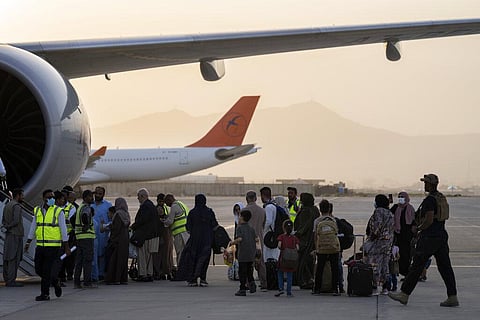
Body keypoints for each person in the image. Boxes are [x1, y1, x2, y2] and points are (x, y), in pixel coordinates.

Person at [389, 174, 459, 307]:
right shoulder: (440, 197)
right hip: (441, 235)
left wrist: (419, 229)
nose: (424, 185)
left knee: (416, 266)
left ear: (431, 184)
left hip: (429, 237)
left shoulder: (430, 200)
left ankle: (404, 294)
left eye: (426, 183)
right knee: (445, 267)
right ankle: (452, 296)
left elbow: (429, 219)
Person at [25, 190, 70, 301]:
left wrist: (66, 245)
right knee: (38, 269)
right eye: (49, 197)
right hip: (40, 245)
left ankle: (45, 294)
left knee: (46, 270)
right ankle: (55, 281)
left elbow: (63, 229)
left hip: (53, 246)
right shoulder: (37, 210)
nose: (51, 199)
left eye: (52, 197)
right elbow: (34, 226)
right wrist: (28, 241)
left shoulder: (58, 211)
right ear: (43, 198)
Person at [175, 194, 218, 287]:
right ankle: (203, 279)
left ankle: (193, 279)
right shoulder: (209, 212)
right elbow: (214, 225)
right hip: (207, 239)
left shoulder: (192, 212)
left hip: (194, 240)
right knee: (204, 259)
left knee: (193, 259)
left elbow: (188, 227)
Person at [364, 194, 394, 295]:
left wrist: (372, 237)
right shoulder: (389, 213)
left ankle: (375, 285)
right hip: (388, 241)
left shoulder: (379, 211)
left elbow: (377, 226)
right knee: (385, 264)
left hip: (378, 242)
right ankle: (385, 286)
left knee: (375, 263)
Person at [312, 199, 340, 296]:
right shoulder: (333, 220)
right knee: (334, 268)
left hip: (322, 248)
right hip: (333, 247)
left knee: (320, 268)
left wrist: (316, 248)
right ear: (329, 208)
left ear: (320, 209)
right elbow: (336, 233)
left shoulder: (317, 221)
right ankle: (335, 289)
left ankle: (317, 288)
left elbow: (315, 236)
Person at [130, 188, 159, 282]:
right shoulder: (151, 205)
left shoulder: (145, 206)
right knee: (149, 257)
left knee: (142, 256)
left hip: (146, 235)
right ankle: (149, 273)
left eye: (138, 197)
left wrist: (132, 227)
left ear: (143, 196)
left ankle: (143, 274)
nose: (138, 199)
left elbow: (141, 220)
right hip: (152, 235)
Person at [294, 192, 319, 289]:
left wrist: (296, 234)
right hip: (312, 239)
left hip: (304, 240)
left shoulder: (305, 211)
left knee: (302, 261)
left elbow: (303, 227)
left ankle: (305, 280)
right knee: (309, 261)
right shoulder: (315, 210)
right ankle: (310, 279)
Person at [242, 190, 267, 290]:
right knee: (261, 262)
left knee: (248, 263)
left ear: (247, 199)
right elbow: (264, 225)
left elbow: (241, 226)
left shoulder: (244, 211)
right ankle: (264, 283)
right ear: (256, 198)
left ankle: (249, 283)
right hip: (259, 239)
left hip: (247, 240)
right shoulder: (262, 211)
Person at [231, 209, 257, 296]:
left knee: (242, 271)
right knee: (249, 270)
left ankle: (242, 289)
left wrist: (232, 242)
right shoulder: (251, 228)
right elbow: (256, 239)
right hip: (251, 252)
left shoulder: (240, 228)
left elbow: (240, 239)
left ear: (242, 218)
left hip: (243, 253)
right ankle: (252, 282)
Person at [2, 188, 25, 287]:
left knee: (7, 257)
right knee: (14, 258)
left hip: (9, 234)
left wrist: (6, 226)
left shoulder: (7, 205)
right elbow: (16, 221)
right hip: (16, 234)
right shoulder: (17, 206)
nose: (23, 197)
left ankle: (7, 279)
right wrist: (9, 226)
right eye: (22, 195)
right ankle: (11, 281)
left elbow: (3, 220)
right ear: (18, 195)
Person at [73, 189, 96, 289]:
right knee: (87, 260)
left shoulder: (79, 207)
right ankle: (87, 282)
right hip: (87, 237)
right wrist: (85, 226)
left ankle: (77, 282)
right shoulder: (86, 207)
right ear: (86, 197)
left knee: (79, 261)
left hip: (79, 237)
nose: (92, 198)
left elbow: (72, 219)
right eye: (90, 196)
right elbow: (84, 216)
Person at [105, 198, 130, 285]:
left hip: (118, 240)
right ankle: (123, 278)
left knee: (115, 260)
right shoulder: (126, 214)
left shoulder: (118, 214)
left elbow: (116, 229)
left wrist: (111, 239)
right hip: (125, 239)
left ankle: (115, 279)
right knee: (123, 260)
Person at [391, 191, 416, 278]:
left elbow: (414, 220)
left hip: (407, 235)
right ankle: (399, 271)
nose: (400, 198)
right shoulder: (395, 207)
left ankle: (406, 273)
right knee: (397, 254)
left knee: (406, 254)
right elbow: (389, 215)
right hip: (397, 234)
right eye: (399, 196)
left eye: (402, 197)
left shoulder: (410, 208)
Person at [91, 186, 112, 281]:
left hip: (103, 234)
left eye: (100, 194)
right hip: (92, 235)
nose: (97, 195)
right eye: (96, 193)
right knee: (93, 255)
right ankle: (94, 274)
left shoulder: (108, 205)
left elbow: (112, 220)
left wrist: (106, 227)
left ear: (103, 195)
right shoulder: (90, 205)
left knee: (102, 255)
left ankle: (101, 273)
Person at [275, 219, 299, 297]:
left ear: (283, 228)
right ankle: (289, 291)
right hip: (292, 259)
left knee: (280, 272)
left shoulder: (281, 237)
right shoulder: (294, 238)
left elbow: (279, 245)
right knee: (289, 274)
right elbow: (297, 248)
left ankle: (281, 288)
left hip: (283, 258)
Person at [58, 186, 77, 286]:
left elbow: (69, 220)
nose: (63, 198)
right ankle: (61, 275)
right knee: (61, 257)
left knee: (69, 257)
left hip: (69, 236)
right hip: (58, 236)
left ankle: (69, 273)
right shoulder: (56, 208)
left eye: (64, 196)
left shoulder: (72, 207)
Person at [164, 194, 189, 265]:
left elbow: (170, 221)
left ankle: (181, 270)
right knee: (186, 252)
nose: (167, 205)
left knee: (180, 253)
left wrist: (163, 222)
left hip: (179, 233)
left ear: (170, 200)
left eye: (167, 203)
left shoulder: (174, 206)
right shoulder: (181, 204)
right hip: (186, 232)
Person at [156, 193, 174, 280]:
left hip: (166, 233)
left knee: (166, 253)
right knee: (164, 254)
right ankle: (164, 271)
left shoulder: (164, 208)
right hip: (163, 234)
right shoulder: (159, 208)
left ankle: (165, 271)